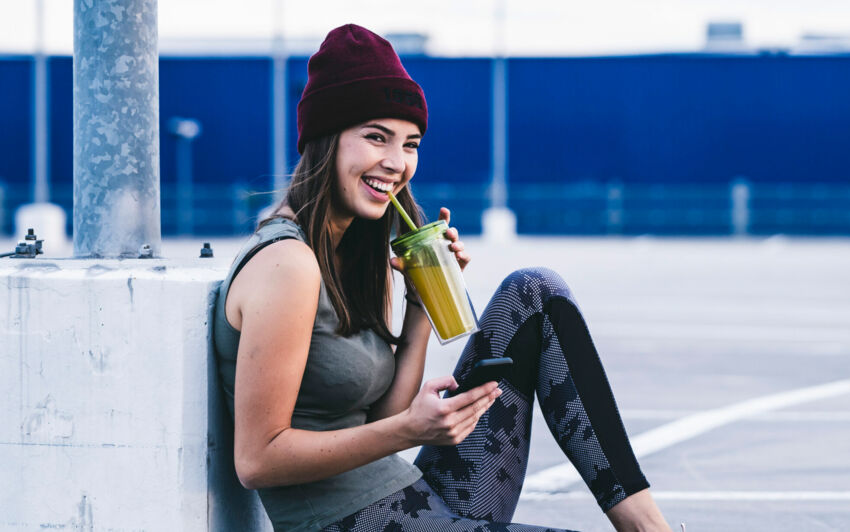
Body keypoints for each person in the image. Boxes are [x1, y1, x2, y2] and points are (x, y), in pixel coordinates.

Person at [212, 24, 671, 532]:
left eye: (410, 143)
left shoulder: (351, 251)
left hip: (409, 500)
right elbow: (257, 460)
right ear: (325, 140)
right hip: (349, 522)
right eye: (375, 137)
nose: (396, 162)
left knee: (534, 292)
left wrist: (422, 300)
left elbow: (376, 417)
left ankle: (647, 525)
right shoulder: (288, 265)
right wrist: (411, 430)